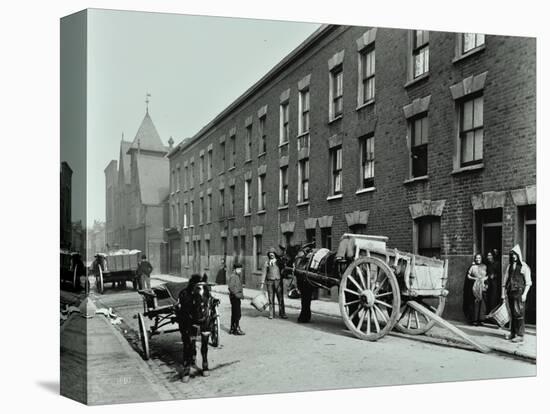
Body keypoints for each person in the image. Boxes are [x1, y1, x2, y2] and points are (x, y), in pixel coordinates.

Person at [501, 245, 532, 343]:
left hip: (519, 292)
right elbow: (505, 281)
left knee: (519, 314)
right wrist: (503, 293)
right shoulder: (510, 266)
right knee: (512, 314)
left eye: (515, 255)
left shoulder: (524, 266)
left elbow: (528, 282)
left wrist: (525, 294)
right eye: (512, 255)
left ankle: (520, 335)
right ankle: (513, 333)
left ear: (519, 255)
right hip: (510, 292)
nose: (513, 257)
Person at [260, 247, 288, 319]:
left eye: (272, 253)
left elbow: (284, 269)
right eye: (270, 253)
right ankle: (271, 314)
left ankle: (282, 313)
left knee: (280, 298)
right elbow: (264, 273)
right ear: (268, 255)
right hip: (269, 282)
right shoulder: (267, 263)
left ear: (275, 254)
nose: (271, 254)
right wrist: (262, 283)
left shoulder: (279, 262)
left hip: (278, 282)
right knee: (270, 298)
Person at [465, 253, 487, 326]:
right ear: (475, 259)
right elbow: (468, 275)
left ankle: (481, 320)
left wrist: (484, 279)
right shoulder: (472, 267)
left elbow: (487, 276)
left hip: (482, 287)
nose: (478, 259)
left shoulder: (484, 266)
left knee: (482, 303)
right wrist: (474, 279)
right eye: (477, 258)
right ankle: (474, 320)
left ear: (481, 259)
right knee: (474, 303)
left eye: (479, 258)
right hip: (474, 287)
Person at [227, 262, 245, 335]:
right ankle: (236, 328)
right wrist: (237, 294)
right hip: (235, 297)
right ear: (235, 269)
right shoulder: (233, 276)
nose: (240, 270)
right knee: (237, 314)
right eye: (239, 269)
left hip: (235, 297)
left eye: (240, 269)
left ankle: (232, 328)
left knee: (234, 313)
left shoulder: (236, 276)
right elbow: (231, 287)